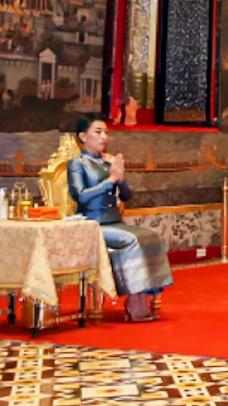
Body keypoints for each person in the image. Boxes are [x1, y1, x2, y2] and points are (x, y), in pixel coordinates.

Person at [67, 115, 173, 322]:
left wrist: (121, 179)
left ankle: (140, 298)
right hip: (93, 223)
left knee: (151, 236)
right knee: (133, 240)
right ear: (83, 136)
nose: (104, 137)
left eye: (106, 132)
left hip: (115, 221)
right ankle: (135, 304)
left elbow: (126, 196)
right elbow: (81, 196)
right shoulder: (77, 164)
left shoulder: (108, 162)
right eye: (98, 132)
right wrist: (111, 180)